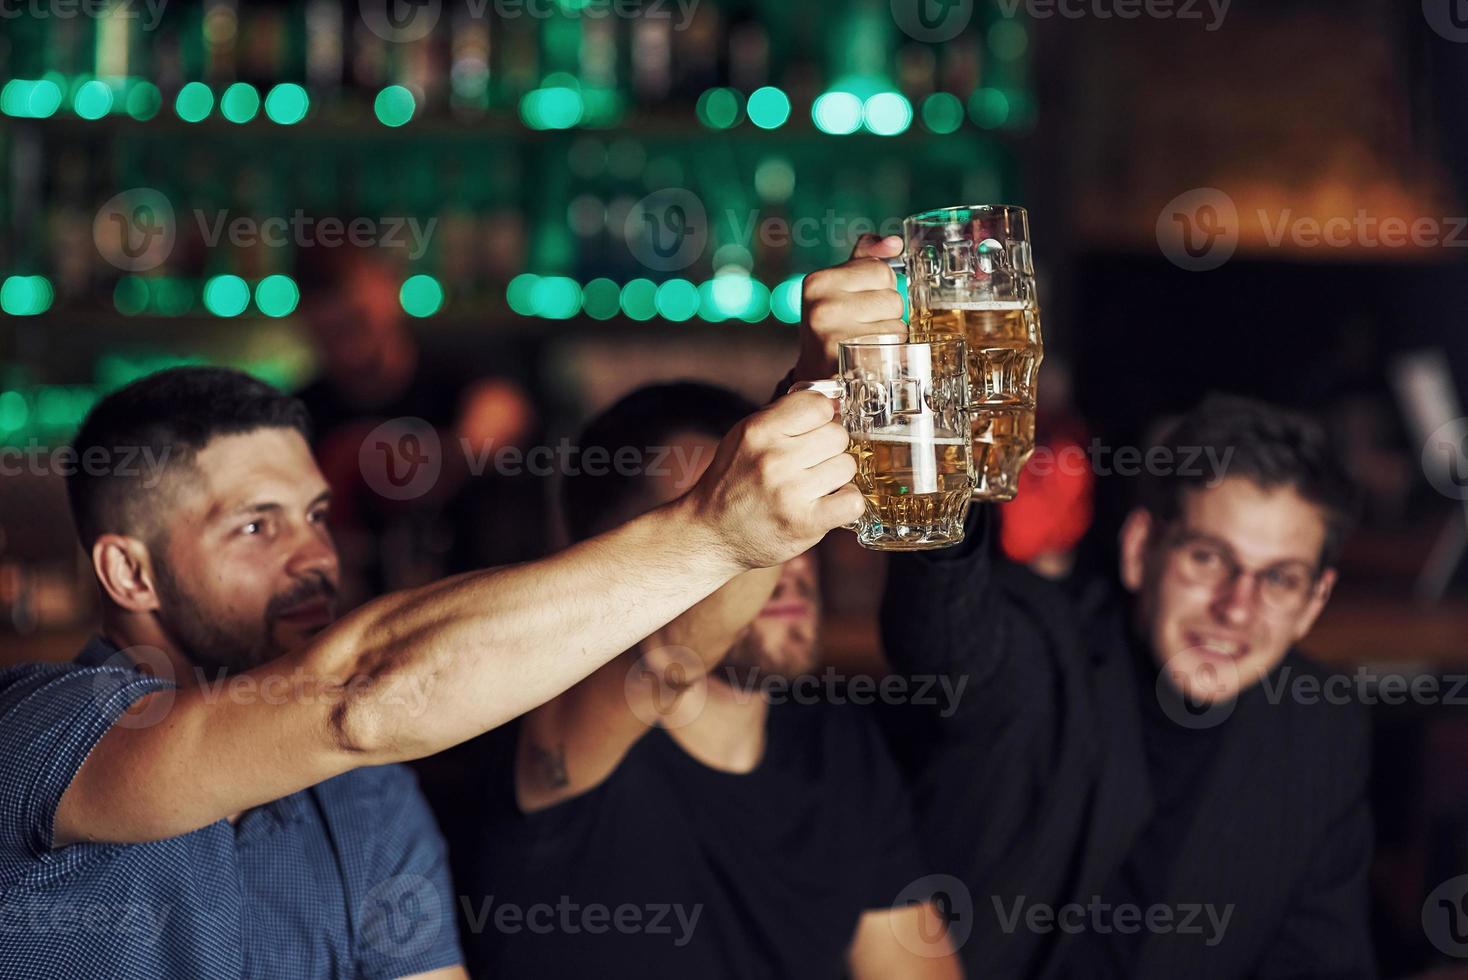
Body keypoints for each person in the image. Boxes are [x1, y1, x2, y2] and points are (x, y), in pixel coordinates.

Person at [0, 366, 863, 978]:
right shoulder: (40, 732)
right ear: (130, 574)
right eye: (255, 528)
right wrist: (716, 532)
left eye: (316, 515)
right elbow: (361, 697)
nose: (315, 558)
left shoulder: (363, 796)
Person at [797, 234, 1373, 979]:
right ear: (1140, 550)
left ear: (1314, 600)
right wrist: (924, 418)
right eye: (1208, 559)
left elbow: (1320, 963)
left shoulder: (1319, 728)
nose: (1238, 607)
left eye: (1280, 578)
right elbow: (943, 629)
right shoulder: (1039, 649)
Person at [433, 383, 960, 980]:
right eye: (724, 522)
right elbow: (665, 659)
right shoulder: (565, 740)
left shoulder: (838, 747)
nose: (785, 556)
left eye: (790, 509)